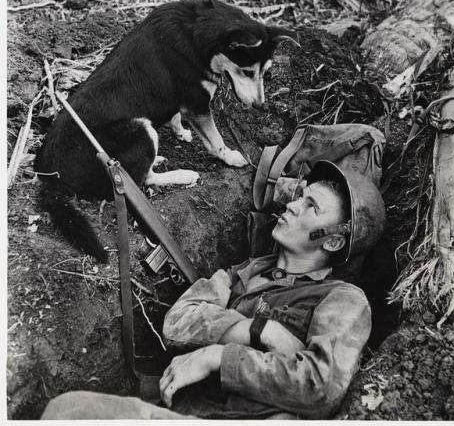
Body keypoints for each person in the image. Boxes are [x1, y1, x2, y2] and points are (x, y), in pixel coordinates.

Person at [41, 160, 386, 420]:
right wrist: (259, 329)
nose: (292, 205)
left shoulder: (342, 299)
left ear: (335, 239)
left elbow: (320, 385)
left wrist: (218, 356)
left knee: (69, 412)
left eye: (312, 207)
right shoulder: (242, 273)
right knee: (68, 409)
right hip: (183, 408)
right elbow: (178, 322)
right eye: (300, 197)